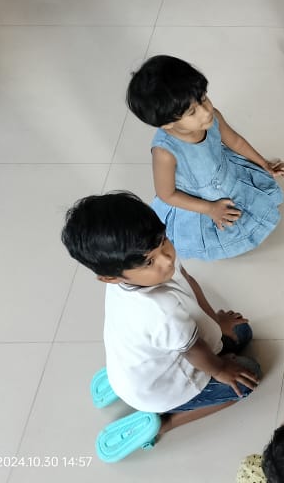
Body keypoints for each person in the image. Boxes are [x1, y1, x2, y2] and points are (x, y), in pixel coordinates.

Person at [61, 192, 262, 450]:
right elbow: (194, 351)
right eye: (149, 261)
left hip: (154, 357)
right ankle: (165, 422)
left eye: (163, 240)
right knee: (248, 378)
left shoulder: (143, 269)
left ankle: (147, 387)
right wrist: (221, 370)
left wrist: (215, 321)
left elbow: (188, 282)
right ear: (110, 277)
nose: (167, 259)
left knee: (242, 332)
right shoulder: (157, 310)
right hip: (164, 387)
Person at [127, 55, 284, 261]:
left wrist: (263, 163)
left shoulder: (212, 118)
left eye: (203, 98)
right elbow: (167, 194)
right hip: (198, 201)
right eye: (192, 112)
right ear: (167, 123)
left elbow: (235, 141)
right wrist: (210, 208)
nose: (206, 112)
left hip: (229, 176)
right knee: (227, 227)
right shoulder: (165, 152)